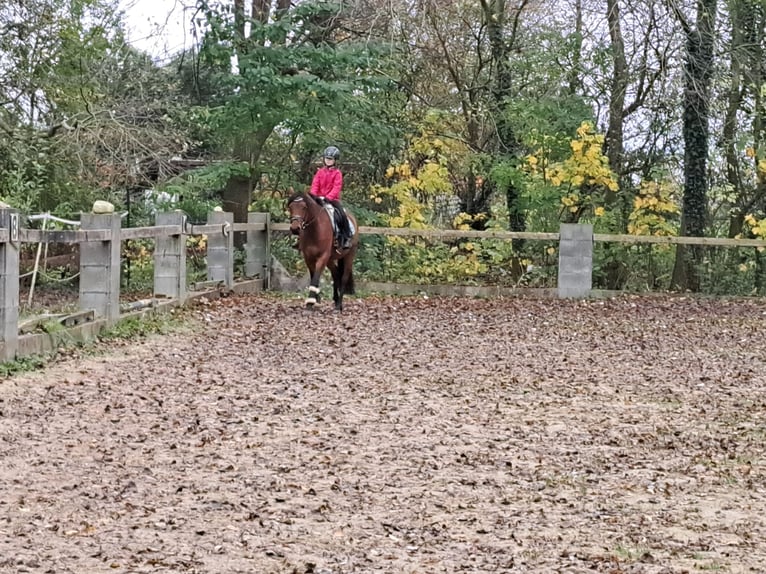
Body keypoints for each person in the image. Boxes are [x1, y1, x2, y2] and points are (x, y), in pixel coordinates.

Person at [310, 145, 353, 250]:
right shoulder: (320, 172)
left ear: (335, 160)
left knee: (341, 214)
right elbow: (315, 185)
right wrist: (313, 196)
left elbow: (336, 187)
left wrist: (328, 198)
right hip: (318, 199)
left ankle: (345, 236)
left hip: (332, 200)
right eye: (327, 158)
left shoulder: (337, 173)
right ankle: (302, 238)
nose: (328, 161)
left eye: (331, 159)